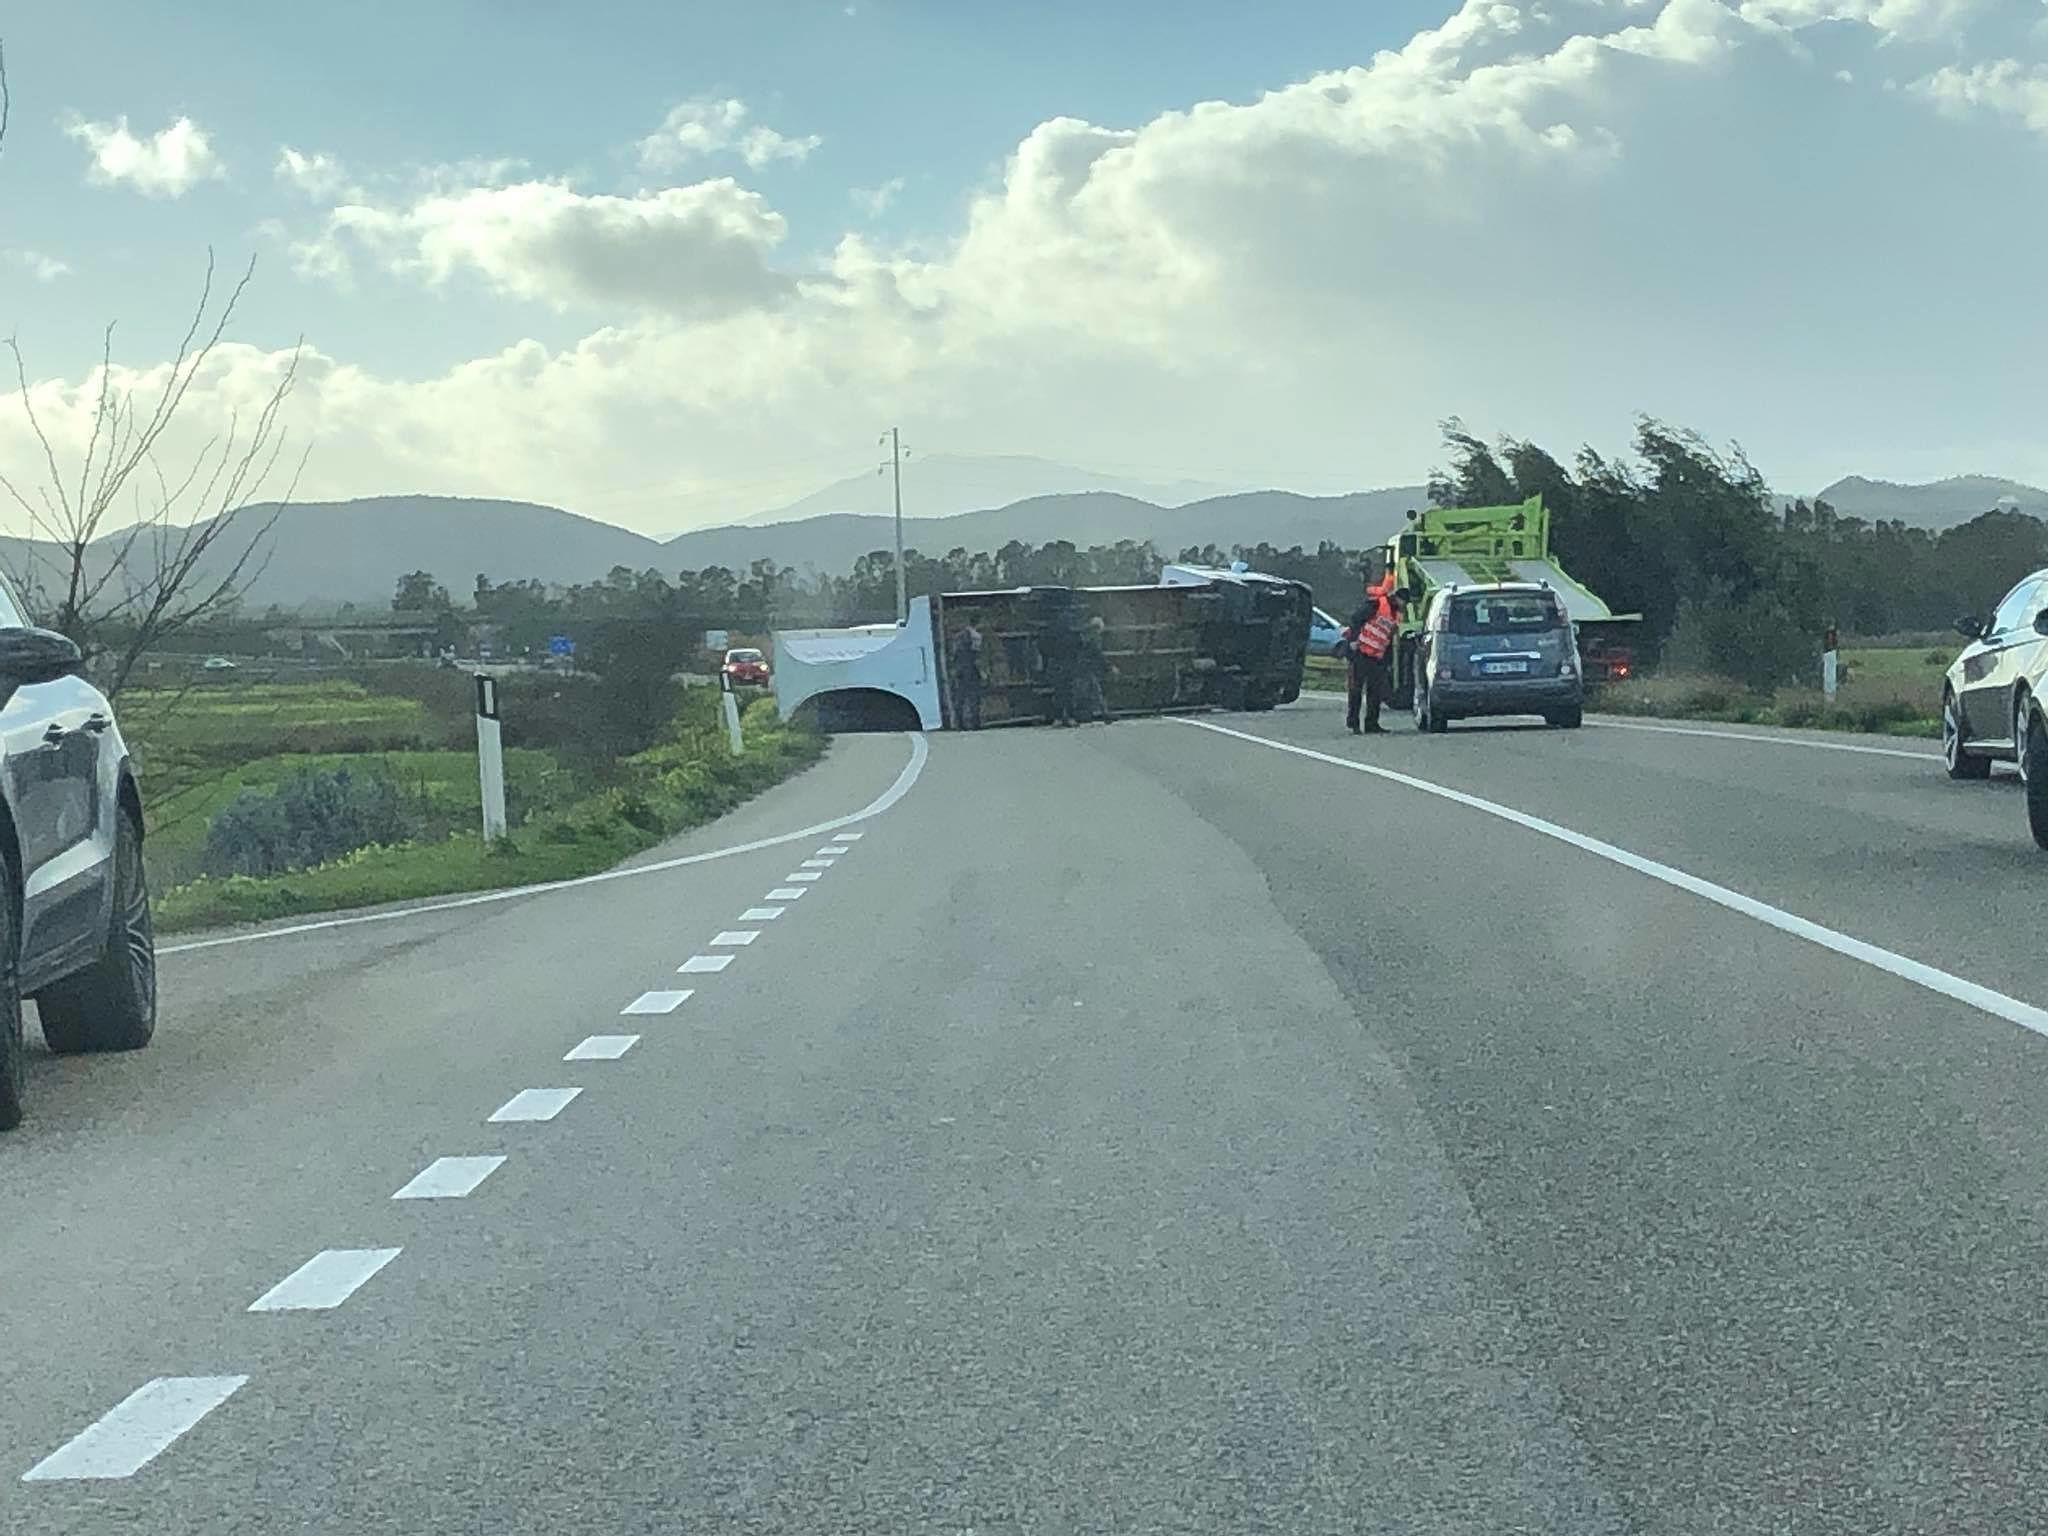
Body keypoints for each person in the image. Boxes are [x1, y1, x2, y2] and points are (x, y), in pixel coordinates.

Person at [1344, 571, 1402, 735]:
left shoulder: (1395, 615)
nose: (1404, 605)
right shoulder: (1377, 604)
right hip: (1360, 652)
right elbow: (1356, 619)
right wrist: (1353, 640)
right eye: (1403, 601)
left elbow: (1388, 638)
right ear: (1397, 598)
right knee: (1356, 690)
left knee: (1375, 692)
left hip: (1377, 657)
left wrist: (1388, 660)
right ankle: (1353, 722)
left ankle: (1372, 724)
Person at [1039, 615, 1080, 726]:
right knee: (1064, 692)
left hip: (1062, 664)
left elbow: (1044, 649)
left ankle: (1063, 717)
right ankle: (1065, 717)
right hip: (1060, 664)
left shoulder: (1067, 636)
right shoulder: (1068, 635)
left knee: (1063, 692)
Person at [1073, 614, 1112, 724]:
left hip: (1080, 667)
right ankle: (1104, 714)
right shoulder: (1095, 638)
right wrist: (1109, 667)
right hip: (1088, 669)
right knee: (1095, 692)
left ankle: (1084, 715)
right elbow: (1098, 654)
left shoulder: (1084, 635)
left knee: (1084, 692)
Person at [948, 622, 985, 730]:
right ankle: (975, 724)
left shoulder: (958, 652)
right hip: (971, 676)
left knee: (961, 701)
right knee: (973, 701)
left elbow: (954, 663)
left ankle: (960, 724)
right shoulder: (973, 652)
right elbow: (977, 663)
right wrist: (982, 674)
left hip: (961, 676)